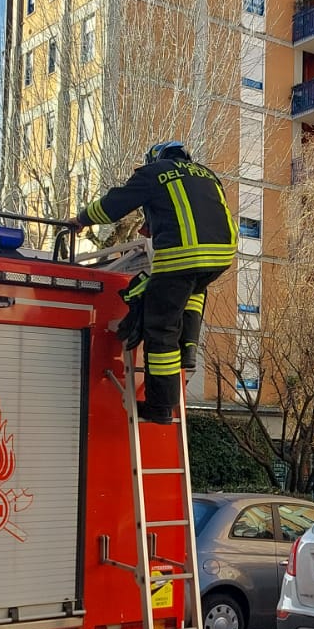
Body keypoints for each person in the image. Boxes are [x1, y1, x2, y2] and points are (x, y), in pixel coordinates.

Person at [73, 141, 236, 424]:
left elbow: (114, 205)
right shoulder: (206, 174)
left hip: (181, 257)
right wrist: (154, 223)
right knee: (193, 290)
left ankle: (160, 406)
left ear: (154, 159)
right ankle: (189, 350)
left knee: (160, 329)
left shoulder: (153, 173)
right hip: (220, 256)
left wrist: (82, 218)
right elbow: (195, 212)